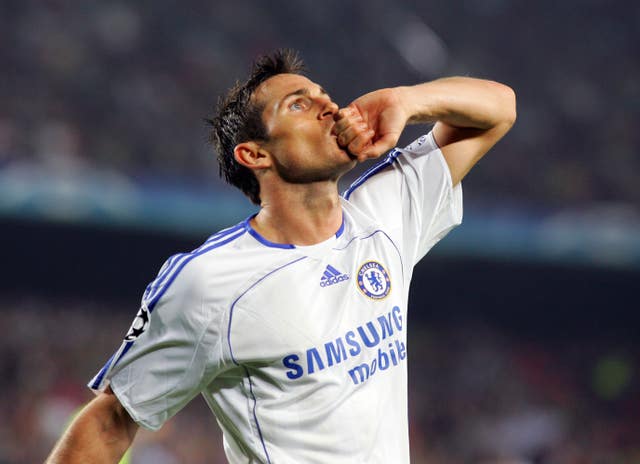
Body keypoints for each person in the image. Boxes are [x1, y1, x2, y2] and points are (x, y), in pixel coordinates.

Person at [46, 49, 516, 463]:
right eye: (299, 104)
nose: (328, 106)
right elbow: (109, 424)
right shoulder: (209, 283)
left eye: (322, 94)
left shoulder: (385, 211)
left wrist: (405, 101)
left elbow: (498, 108)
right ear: (254, 154)